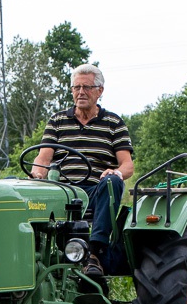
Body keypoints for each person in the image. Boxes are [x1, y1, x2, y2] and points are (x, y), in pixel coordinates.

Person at [31, 64, 134, 276]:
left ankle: (94, 252)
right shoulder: (57, 121)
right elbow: (43, 157)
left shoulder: (114, 123)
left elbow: (127, 165)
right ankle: (28, 255)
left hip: (97, 190)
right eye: (76, 87)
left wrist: (116, 172)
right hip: (63, 190)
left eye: (86, 87)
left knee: (113, 181)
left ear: (99, 91)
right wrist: (38, 173)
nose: (80, 92)